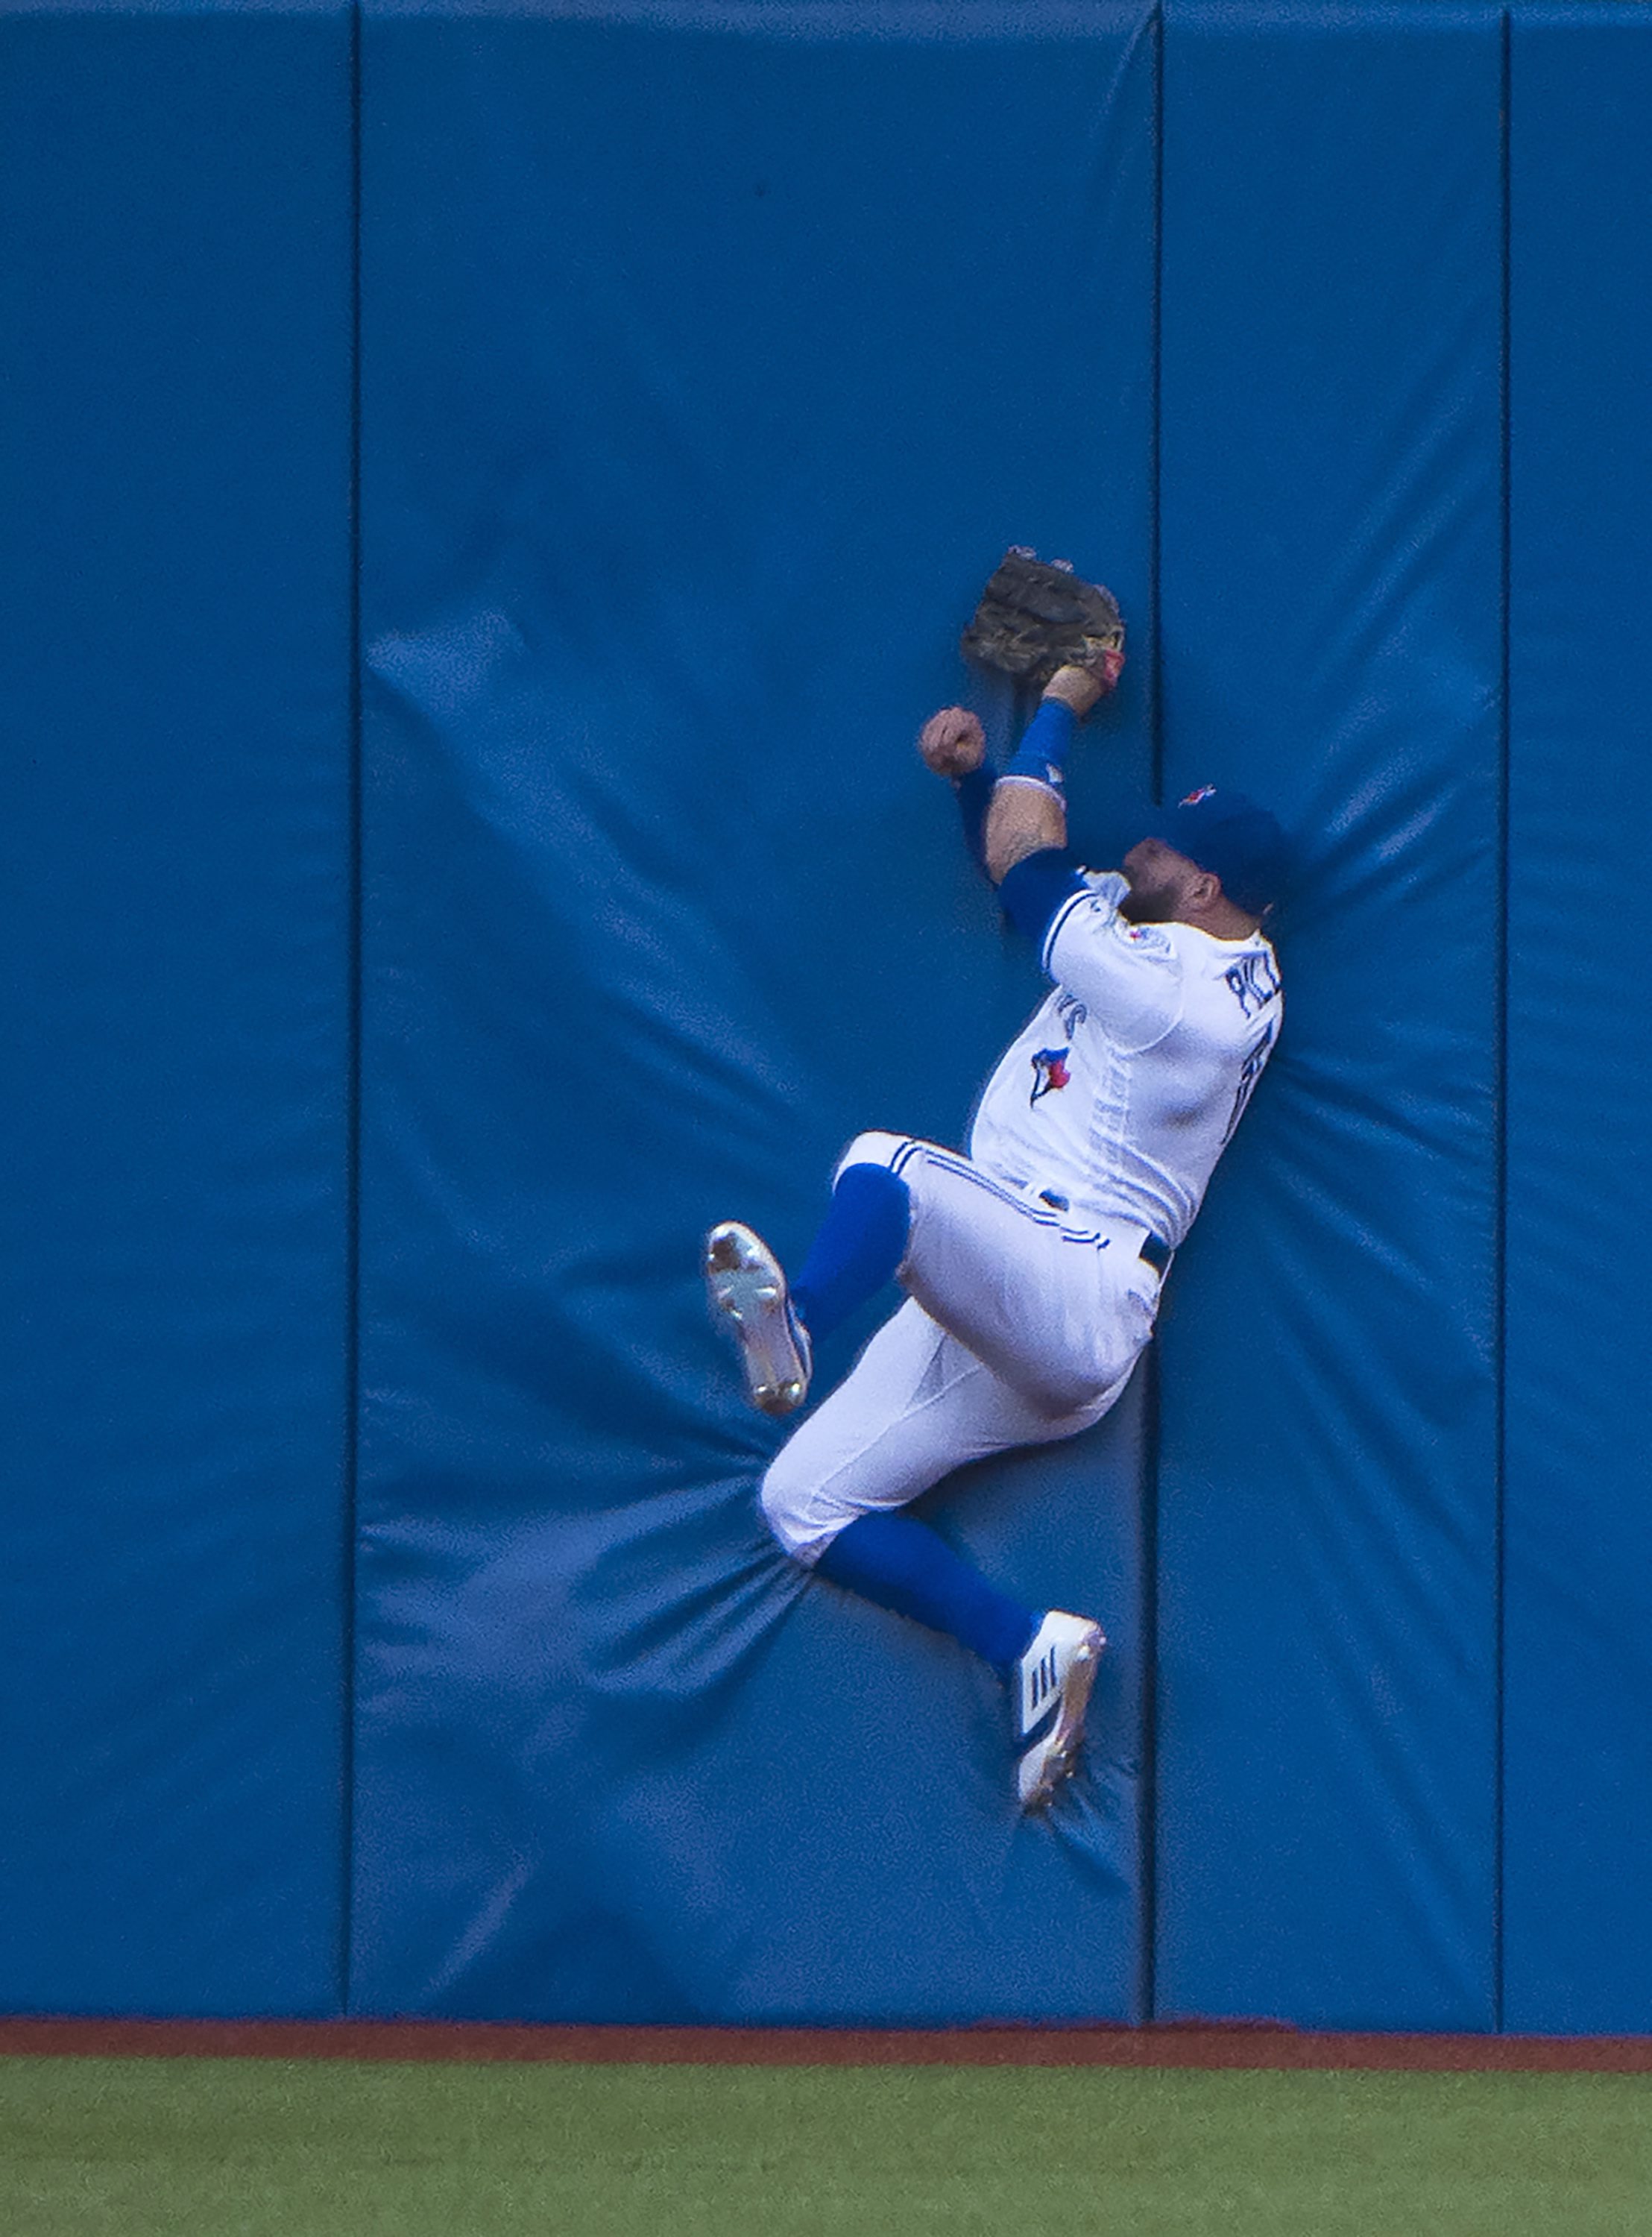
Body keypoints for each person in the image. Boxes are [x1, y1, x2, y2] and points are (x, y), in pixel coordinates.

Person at [705, 653, 1287, 1808]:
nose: (1141, 854)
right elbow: (1031, 865)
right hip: (1017, 1301)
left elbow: (1033, 870)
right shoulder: (1200, 957)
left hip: (1073, 1279)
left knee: (888, 1167)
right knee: (803, 1502)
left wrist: (1064, 701)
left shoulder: (1177, 992)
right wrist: (980, 781)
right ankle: (1031, 1647)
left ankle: (803, 1323)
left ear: (1208, 888)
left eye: (1165, 849)